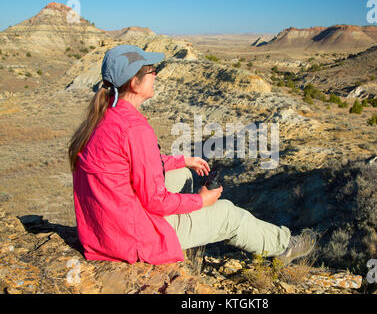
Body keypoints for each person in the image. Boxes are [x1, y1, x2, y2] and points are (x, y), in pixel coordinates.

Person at [68, 44, 317, 266]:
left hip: (103, 231)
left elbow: (129, 164)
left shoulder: (104, 118)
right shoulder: (134, 128)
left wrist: (181, 160)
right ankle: (284, 246)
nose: (156, 75)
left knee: (181, 173)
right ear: (134, 83)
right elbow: (154, 200)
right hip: (130, 239)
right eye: (151, 70)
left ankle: (188, 228)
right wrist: (201, 201)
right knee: (228, 214)